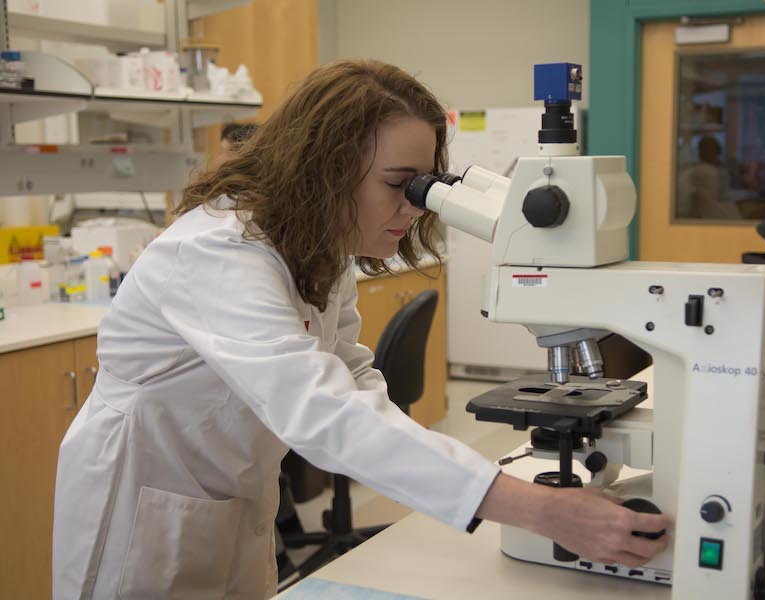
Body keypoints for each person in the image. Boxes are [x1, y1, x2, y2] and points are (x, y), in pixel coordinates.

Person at [52, 59, 670, 598]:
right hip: (142, 509)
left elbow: (349, 378)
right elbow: (322, 413)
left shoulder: (320, 248)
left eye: (426, 186)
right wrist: (538, 509)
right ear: (321, 169)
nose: (416, 206)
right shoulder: (217, 252)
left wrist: (477, 482)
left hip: (232, 501)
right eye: (399, 185)